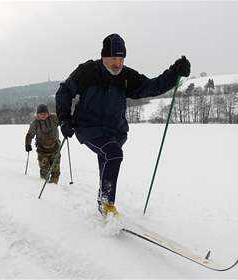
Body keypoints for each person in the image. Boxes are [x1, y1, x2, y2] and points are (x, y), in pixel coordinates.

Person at [55, 33, 191, 217]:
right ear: (103, 56)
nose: (117, 64)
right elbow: (64, 91)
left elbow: (152, 86)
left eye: (121, 58)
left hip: (115, 131)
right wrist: (64, 119)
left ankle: (102, 201)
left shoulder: (126, 76)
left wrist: (174, 73)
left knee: (108, 158)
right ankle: (106, 203)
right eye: (113, 58)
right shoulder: (88, 71)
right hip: (89, 128)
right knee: (113, 154)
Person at [25, 104, 61, 184]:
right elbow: (30, 135)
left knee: (56, 170)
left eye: (45, 113)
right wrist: (28, 144)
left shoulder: (54, 118)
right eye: (41, 114)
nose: (43, 115)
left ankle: (54, 187)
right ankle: (44, 184)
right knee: (45, 170)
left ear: (48, 113)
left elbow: (62, 121)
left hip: (55, 148)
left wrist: (66, 126)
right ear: (38, 114)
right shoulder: (35, 123)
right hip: (42, 150)